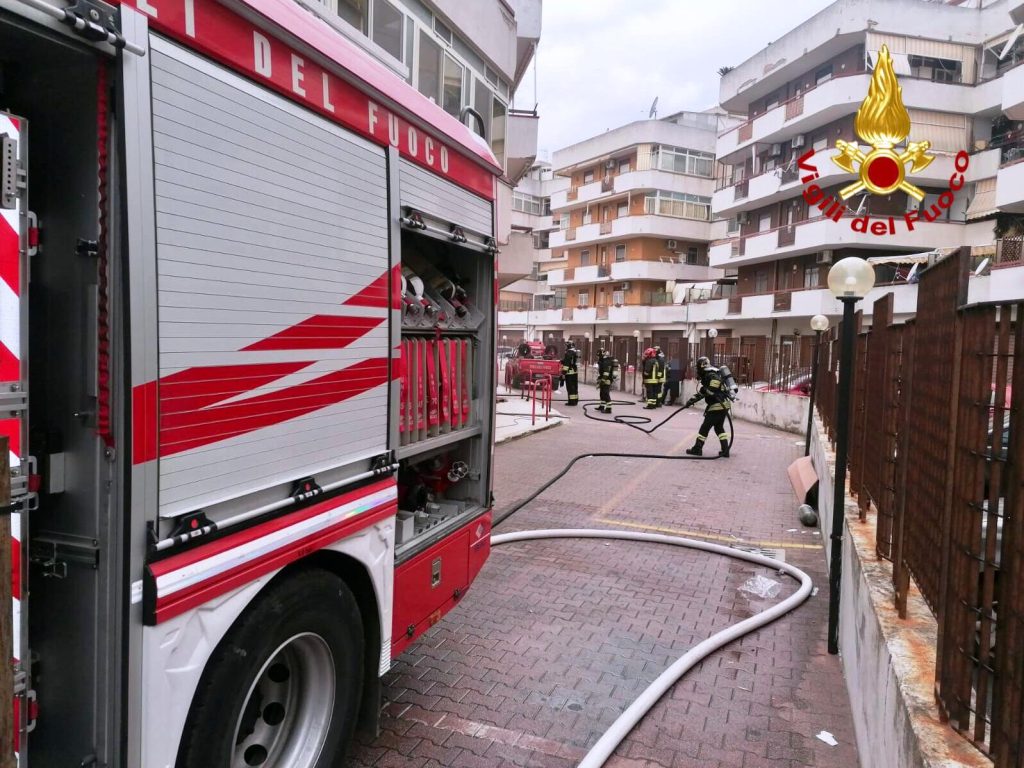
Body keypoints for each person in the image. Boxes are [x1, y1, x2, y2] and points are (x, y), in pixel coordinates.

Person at [684, 356, 733, 457]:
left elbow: (714, 385)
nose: (697, 370)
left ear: (702, 366)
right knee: (719, 428)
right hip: (723, 405)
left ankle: (697, 449)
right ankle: (725, 450)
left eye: (698, 367)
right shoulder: (712, 372)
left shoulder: (710, 374)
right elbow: (703, 392)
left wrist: (707, 390)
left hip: (717, 405)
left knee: (704, 428)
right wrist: (691, 401)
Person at [597, 348, 616, 413]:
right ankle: (602, 406)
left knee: (605, 393)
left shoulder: (606, 362)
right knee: (602, 393)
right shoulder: (603, 361)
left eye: (599, 355)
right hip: (604, 378)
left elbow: (606, 373)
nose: (598, 357)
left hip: (607, 379)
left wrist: (602, 381)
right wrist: (599, 379)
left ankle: (608, 409)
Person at [561, 340, 580, 406]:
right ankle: (575, 400)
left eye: (566, 345)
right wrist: (562, 361)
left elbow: (566, 364)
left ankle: (571, 402)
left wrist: (563, 373)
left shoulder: (569, 352)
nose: (566, 347)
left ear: (569, 346)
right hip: (575, 372)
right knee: (575, 387)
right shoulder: (574, 351)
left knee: (570, 387)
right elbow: (571, 361)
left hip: (569, 373)